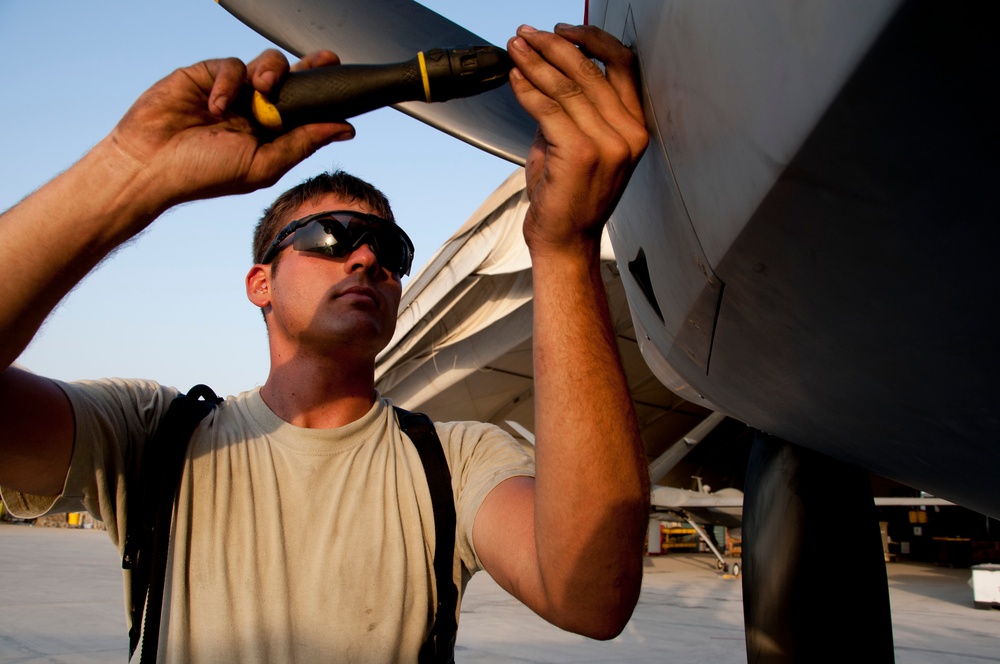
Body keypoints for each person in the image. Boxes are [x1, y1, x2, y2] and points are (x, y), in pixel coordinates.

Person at [0, 23, 650, 662]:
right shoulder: (150, 436)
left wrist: (564, 249)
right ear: (261, 282)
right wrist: (133, 171)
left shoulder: (454, 461)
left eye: (390, 250)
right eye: (329, 235)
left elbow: (590, 596)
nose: (367, 257)